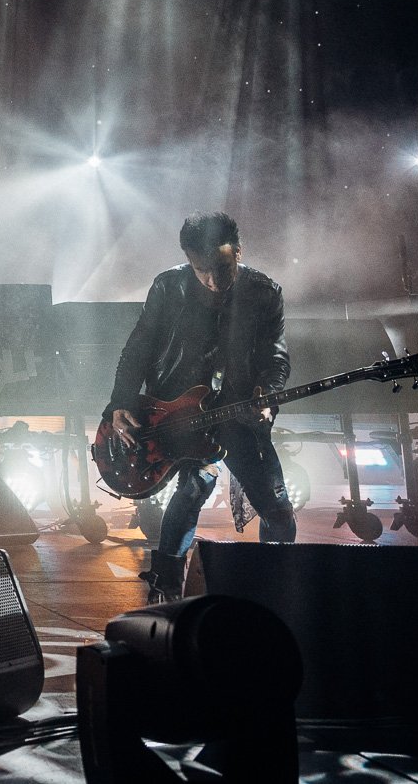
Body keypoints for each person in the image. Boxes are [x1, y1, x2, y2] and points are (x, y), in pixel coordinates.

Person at [106, 211, 295, 603]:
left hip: (238, 415)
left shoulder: (264, 293)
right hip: (180, 413)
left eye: (221, 269)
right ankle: (165, 589)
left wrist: (267, 396)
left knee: (277, 509)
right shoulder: (168, 287)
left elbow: (275, 358)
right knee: (192, 490)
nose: (212, 280)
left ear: (238, 252)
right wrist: (120, 402)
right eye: (201, 270)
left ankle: (274, 589)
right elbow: (139, 347)